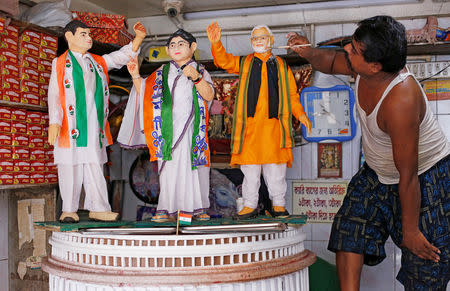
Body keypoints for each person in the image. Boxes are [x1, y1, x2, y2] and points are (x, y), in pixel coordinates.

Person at [288, 15, 449, 290]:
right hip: (377, 172)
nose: (347, 50)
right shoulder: (363, 67)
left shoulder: (401, 99)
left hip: (424, 177)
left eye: (355, 50)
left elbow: (407, 175)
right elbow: (329, 61)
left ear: (375, 66)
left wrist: (410, 232)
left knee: (426, 266)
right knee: (350, 230)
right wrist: (309, 51)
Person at [206, 22, 311, 219]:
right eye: (255, 38)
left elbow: (292, 94)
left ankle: (278, 205)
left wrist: (301, 114)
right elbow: (224, 61)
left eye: (262, 37)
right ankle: (249, 205)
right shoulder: (245, 63)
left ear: (270, 41)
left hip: (273, 130)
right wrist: (216, 43)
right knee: (250, 173)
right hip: (251, 130)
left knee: (276, 172)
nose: (258, 41)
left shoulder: (281, 66)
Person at [48, 20, 146, 223]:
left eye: (88, 34)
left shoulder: (97, 62)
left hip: (92, 125)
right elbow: (55, 95)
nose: (88, 37)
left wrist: (138, 39)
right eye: (83, 34)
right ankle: (68, 209)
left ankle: (99, 207)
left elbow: (119, 57)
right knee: (70, 165)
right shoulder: (59, 63)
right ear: (69, 37)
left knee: (95, 166)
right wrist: (54, 122)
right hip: (70, 125)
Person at [118, 29, 214, 222]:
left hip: (192, 131)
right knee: (169, 169)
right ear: (167, 51)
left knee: (194, 166)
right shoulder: (161, 73)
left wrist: (196, 77)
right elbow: (145, 94)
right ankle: (166, 208)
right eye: (172, 45)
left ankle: (197, 208)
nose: (176, 48)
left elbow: (209, 95)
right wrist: (136, 75)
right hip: (167, 131)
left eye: (181, 44)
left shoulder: (201, 71)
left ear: (192, 47)